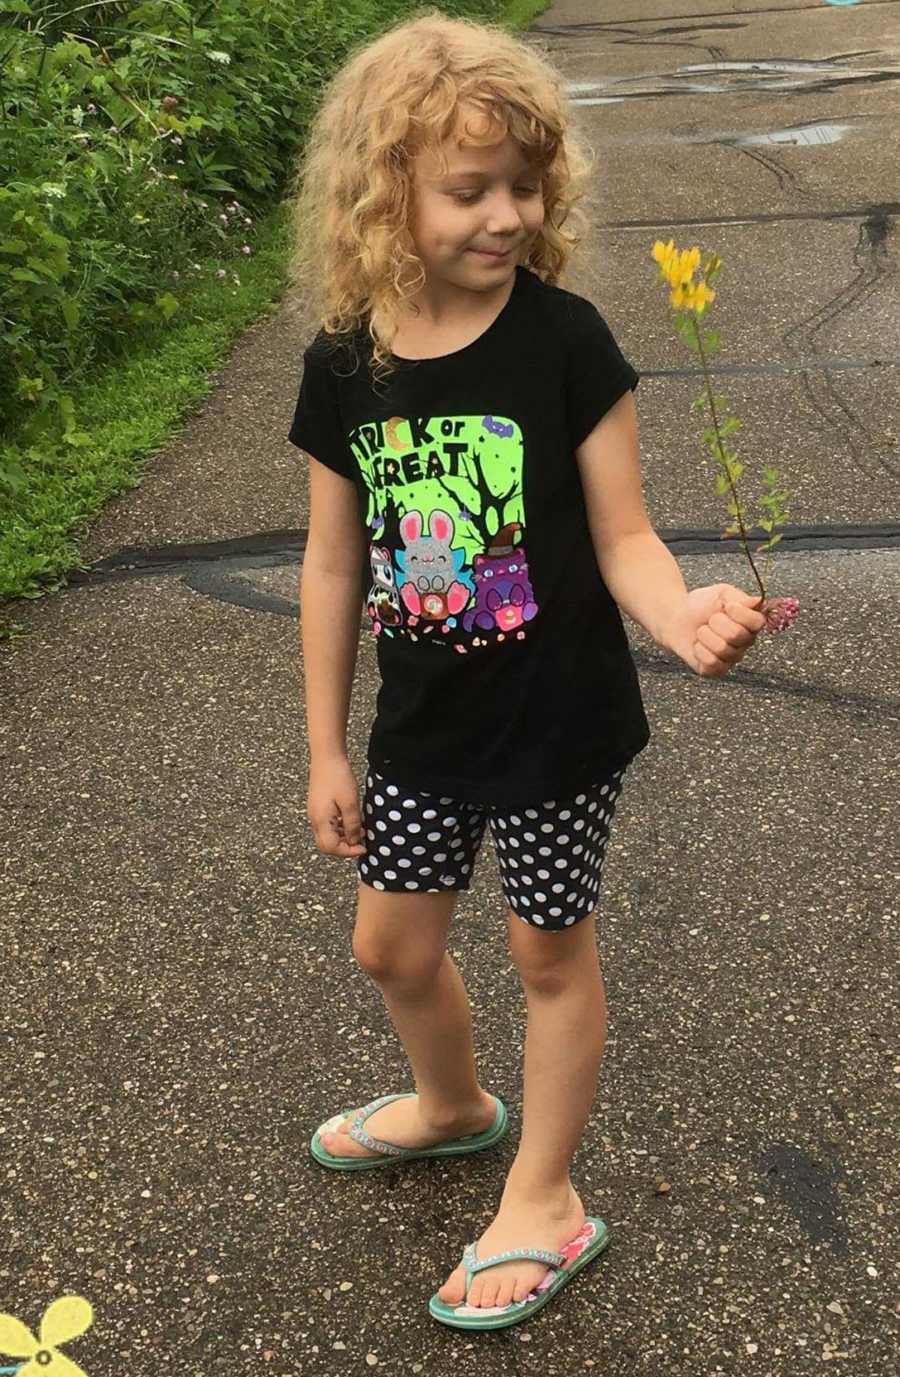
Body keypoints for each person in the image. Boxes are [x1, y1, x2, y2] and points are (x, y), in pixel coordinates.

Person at [285, 10, 766, 1331]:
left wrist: (682, 615)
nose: (508, 213)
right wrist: (327, 745)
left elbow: (626, 534)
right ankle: (453, 1105)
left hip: (559, 723)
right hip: (421, 726)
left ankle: (544, 1195)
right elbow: (333, 565)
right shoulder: (348, 361)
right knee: (391, 945)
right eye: (469, 190)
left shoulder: (564, 342)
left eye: (526, 184)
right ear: (386, 199)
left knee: (546, 950)